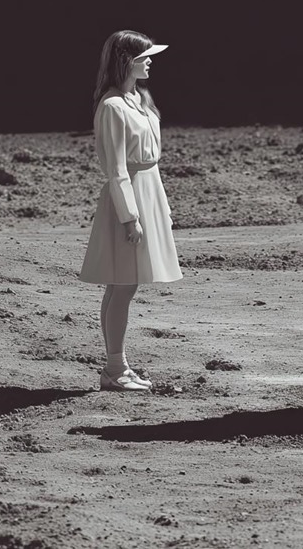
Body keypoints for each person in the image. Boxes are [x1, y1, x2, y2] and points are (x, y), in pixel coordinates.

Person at [79, 30, 183, 391]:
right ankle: (115, 368)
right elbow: (118, 169)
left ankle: (116, 367)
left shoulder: (140, 99)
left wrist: (160, 207)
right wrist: (130, 217)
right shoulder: (112, 107)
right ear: (127, 61)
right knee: (123, 285)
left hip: (147, 193)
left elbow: (150, 165)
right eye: (143, 57)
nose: (150, 61)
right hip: (130, 198)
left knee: (122, 284)